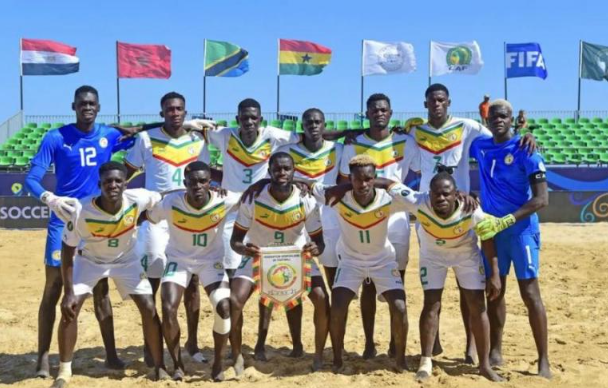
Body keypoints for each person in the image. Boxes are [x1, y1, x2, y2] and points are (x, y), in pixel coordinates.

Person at [409, 83, 536, 362]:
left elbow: (502, 136)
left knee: (468, 286)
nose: (437, 105)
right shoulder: (416, 132)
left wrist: (526, 134)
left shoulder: (467, 127)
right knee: (433, 287)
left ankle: (469, 346)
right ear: (426, 104)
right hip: (430, 214)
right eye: (432, 101)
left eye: (441, 100)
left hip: (463, 213)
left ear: (449, 102)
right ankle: (435, 341)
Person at [25, 85, 140, 377]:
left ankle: (112, 355)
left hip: (95, 222)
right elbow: (32, 179)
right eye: (81, 104)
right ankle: (42, 358)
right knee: (53, 288)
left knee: (101, 289)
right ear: (73, 106)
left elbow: (142, 138)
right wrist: (49, 199)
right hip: (62, 221)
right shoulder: (55, 138)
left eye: (91, 104)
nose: (86, 107)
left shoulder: (109, 135)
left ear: (98, 107)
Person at [370, 171, 503, 382]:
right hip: (433, 256)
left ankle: (484, 365)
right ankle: (426, 361)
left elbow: (487, 239)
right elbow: (388, 183)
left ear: (456, 195)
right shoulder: (417, 200)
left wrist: (494, 273)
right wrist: (357, 181)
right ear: (429, 194)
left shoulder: (472, 210)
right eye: (436, 194)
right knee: (431, 304)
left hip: (465, 254)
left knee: (477, 305)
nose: (440, 198)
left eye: (446, 194)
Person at [51, 162, 167, 388]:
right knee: (70, 309)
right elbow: (67, 250)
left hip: (127, 261)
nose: (112, 185)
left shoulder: (138, 198)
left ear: (125, 183)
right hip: (91, 261)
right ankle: (64, 372)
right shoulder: (82, 211)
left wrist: (142, 218)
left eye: (117, 181)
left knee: (149, 307)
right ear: (99, 185)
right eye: (107, 181)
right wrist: (68, 292)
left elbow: (162, 196)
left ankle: (158, 365)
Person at [124, 92, 208, 363]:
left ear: (186, 112)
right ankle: (152, 344)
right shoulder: (146, 139)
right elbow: (125, 174)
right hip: (156, 218)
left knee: (192, 280)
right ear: (162, 113)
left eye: (179, 109)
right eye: (169, 109)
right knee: (153, 280)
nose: (174, 113)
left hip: (188, 217)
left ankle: (192, 346)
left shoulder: (198, 140)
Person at [471, 99, 551, 379]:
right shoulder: (480, 146)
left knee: (530, 293)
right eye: (493, 116)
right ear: (487, 119)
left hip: (521, 231)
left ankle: (543, 360)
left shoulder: (526, 150)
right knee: (494, 291)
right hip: (492, 231)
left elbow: (542, 199)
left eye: (503, 115)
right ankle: (496, 350)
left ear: (511, 117)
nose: (498, 120)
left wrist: (508, 219)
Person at [229, 152, 329, 374]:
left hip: (296, 256)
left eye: (286, 169)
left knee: (322, 298)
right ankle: (236, 355)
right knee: (234, 300)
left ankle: (318, 356)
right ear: (269, 171)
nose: (282, 173)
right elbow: (235, 241)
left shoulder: (306, 200)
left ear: (294, 172)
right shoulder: (253, 198)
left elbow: (320, 243)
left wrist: (315, 249)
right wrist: (244, 248)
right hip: (258, 255)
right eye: (277, 169)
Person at [339, 93, 419, 359]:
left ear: (391, 112)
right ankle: (369, 343)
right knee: (368, 284)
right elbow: (343, 179)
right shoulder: (353, 144)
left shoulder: (406, 141)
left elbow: (420, 168)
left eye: (383, 109)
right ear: (367, 113)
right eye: (374, 110)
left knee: (396, 283)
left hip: (396, 217)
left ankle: (396, 344)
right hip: (366, 214)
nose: (379, 113)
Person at [314, 155, 408, 373]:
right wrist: (341, 187)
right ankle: (337, 359)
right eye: (357, 180)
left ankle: (400, 360)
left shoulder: (389, 199)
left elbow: (422, 198)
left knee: (400, 307)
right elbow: (306, 185)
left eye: (368, 179)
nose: (363, 184)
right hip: (350, 261)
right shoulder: (337, 197)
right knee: (337, 307)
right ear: (350, 179)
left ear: (375, 178)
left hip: (382, 260)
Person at [143, 161, 235, 381]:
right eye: (192, 182)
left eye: (203, 181)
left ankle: (218, 364)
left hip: (210, 261)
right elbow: (148, 216)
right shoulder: (170, 202)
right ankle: (177, 364)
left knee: (224, 307)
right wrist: (166, 192)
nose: (198, 186)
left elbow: (255, 192)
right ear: (185, 183)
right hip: (179, 261)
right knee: (168, 307)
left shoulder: (225, 199)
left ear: (210, 183)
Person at [277, 108, 343, 287]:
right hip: (298, 215)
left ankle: (334, 312)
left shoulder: (338, 149)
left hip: (329, 216)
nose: (313, 125)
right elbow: (277, 175)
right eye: (308, 122)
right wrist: (297, 180)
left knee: (333, 271)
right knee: (295, 273)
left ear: (325, 125)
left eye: (317, 122)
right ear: (302, 126)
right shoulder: (287, 150)